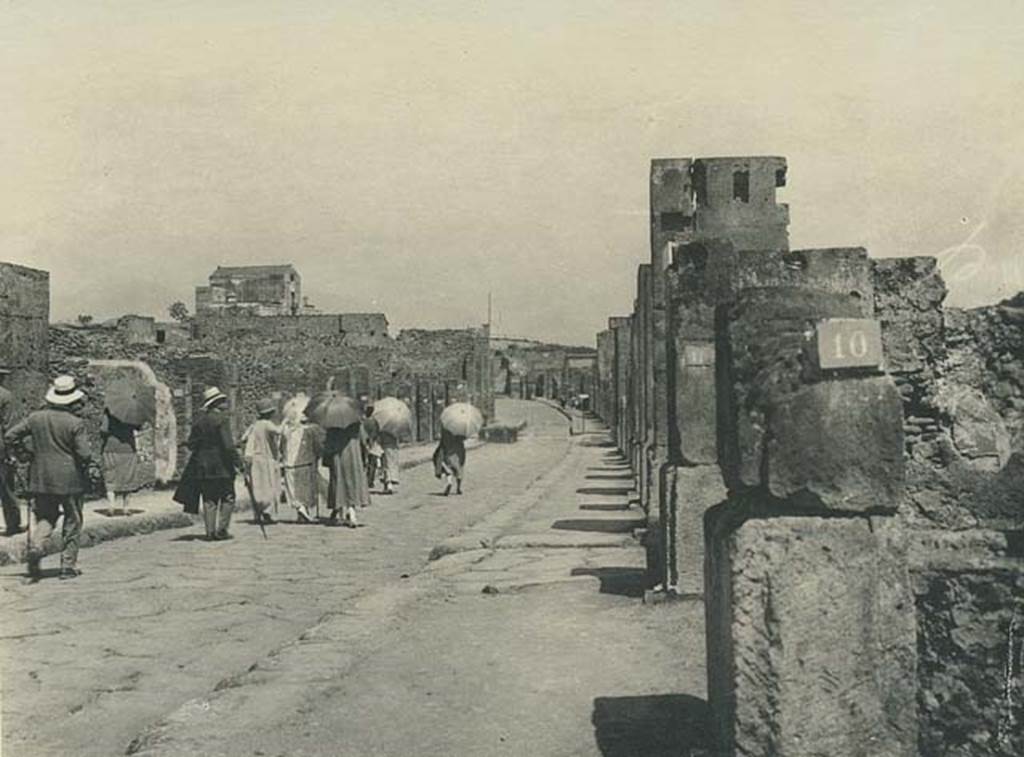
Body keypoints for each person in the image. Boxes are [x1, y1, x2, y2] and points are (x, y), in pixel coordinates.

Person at [4, 375, 99, 580]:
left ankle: (37, 546)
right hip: (70, 479)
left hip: (40, 478)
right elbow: (84, 454)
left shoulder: (35, 418)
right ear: (72, 400)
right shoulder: (75, 423)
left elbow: (10, 435)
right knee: (73, 521)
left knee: (46, 517)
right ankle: (67, 566)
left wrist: (23, 454)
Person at [175, 387, 243, 541]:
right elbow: (228, 446)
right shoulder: (222, 420)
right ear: (217, 403)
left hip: (203, 466)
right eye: (223, 401)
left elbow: (192, 445)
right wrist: (239, 463)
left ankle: (210, 532)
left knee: (209, 499)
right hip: (222, 466)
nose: (226, 404)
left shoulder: (199, 421)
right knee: (228, 497)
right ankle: (222, 530)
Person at [280, 396, 322, 523]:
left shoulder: (285, 430)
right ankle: (303, 509)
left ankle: (300, 511)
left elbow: (281, 446)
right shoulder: (308, 430)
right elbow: (317, 446)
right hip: (305, 462)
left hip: (289, 463)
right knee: (304, 489)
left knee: (293, 489)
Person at [240, 398, 282, 525]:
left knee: (257, 486)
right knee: (269, 485)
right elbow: (279, 431)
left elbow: (243, 439)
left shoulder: (254, 425)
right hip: (266, 459)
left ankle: (258, 512)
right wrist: (286, 422)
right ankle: (267, 511)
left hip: (255, 460)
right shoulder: (267, 424)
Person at [322, 421, 369, 527]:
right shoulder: (356, 423)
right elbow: (364, 440)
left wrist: (326, 458)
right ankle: (351, 512)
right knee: (352, 481)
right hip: (353, 455)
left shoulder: (332, 425)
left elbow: (328, 445)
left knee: (338, 482)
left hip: (338, 455)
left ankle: (339, 510)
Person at [100, 409, 144, 515]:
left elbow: (103, 430)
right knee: (127, 477)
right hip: (128, 448)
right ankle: (126, 507)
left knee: (110, 476)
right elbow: (139, 427)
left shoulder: (109, 411)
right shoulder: (131, 410)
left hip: (111, 447)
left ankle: (111, 506)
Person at [0, 367, 23, 536]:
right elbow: (9, 427)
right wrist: (12, 453)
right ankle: (13, 523)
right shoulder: (6, 396)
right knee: (7, 487)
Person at [432, 427, 466, 496]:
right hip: (457, 452)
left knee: (448, 470)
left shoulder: (445, 427)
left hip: (447, 452)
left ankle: (449, 483)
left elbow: (441, 442)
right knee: (459, 469)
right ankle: (458, 488)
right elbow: (463, 438)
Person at [361, 403, 384, 492]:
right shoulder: (375, 422)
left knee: (365, 463)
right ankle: (370, 480)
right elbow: (377, 433)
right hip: (373, 444)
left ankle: (365, 480)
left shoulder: (363, 422)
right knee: (372, 463)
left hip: (364, 444)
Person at [378, 428, 401, 495]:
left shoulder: (383, 428)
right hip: (394, 447)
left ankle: (388, 484)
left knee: (386, 465)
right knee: (392, 465)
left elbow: (379, 439)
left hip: (386, 447)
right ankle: (389, 484)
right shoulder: (396, 427)